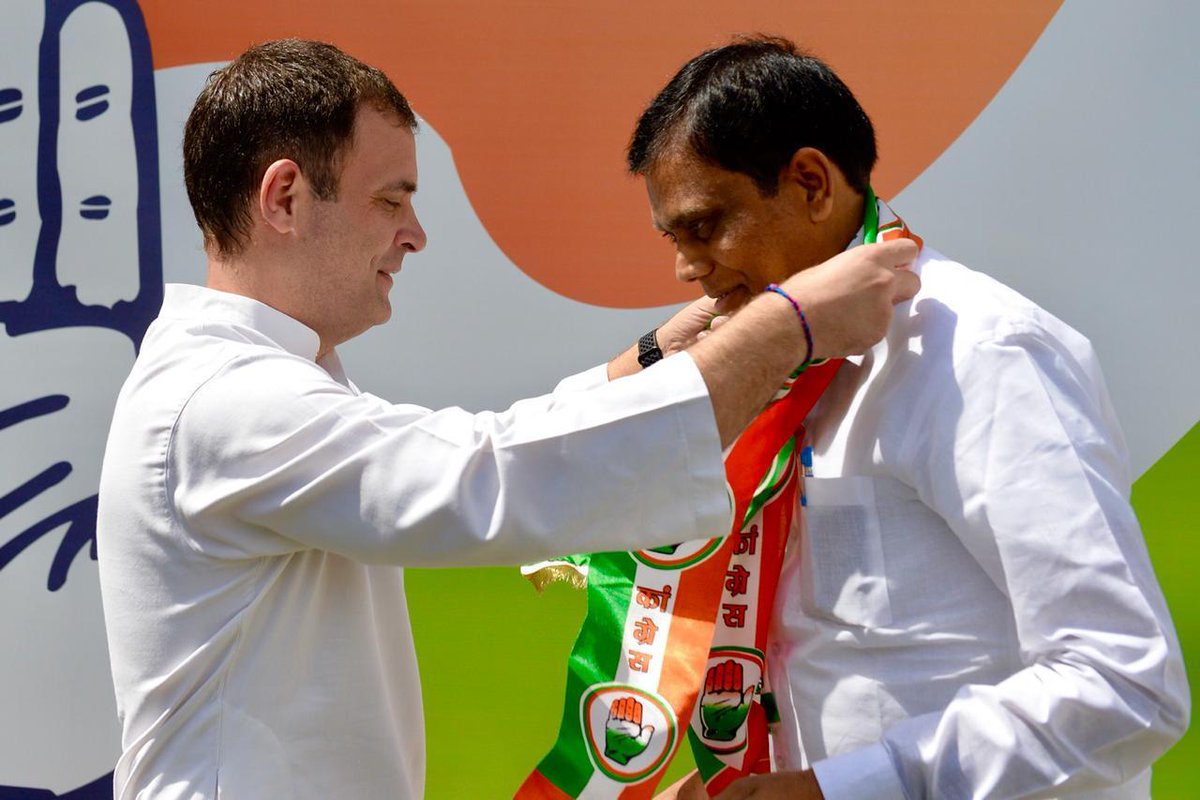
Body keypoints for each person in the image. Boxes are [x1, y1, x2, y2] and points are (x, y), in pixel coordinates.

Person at [94, 39, 918, 799]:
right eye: (389, 200)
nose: (414, 235)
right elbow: (478, 480)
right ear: (283, 197)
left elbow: (467, 449)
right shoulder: (223, 402)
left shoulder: (256, 383)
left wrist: (649, 363)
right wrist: (786, 327)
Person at [627, 37, 1190, 800]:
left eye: (705, 226)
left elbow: (1126, 685)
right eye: (674, 237)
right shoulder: (778, 370)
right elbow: (834, 659)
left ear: (810, 183)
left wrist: (846, 787)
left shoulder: (979, 351)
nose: (687, 269)